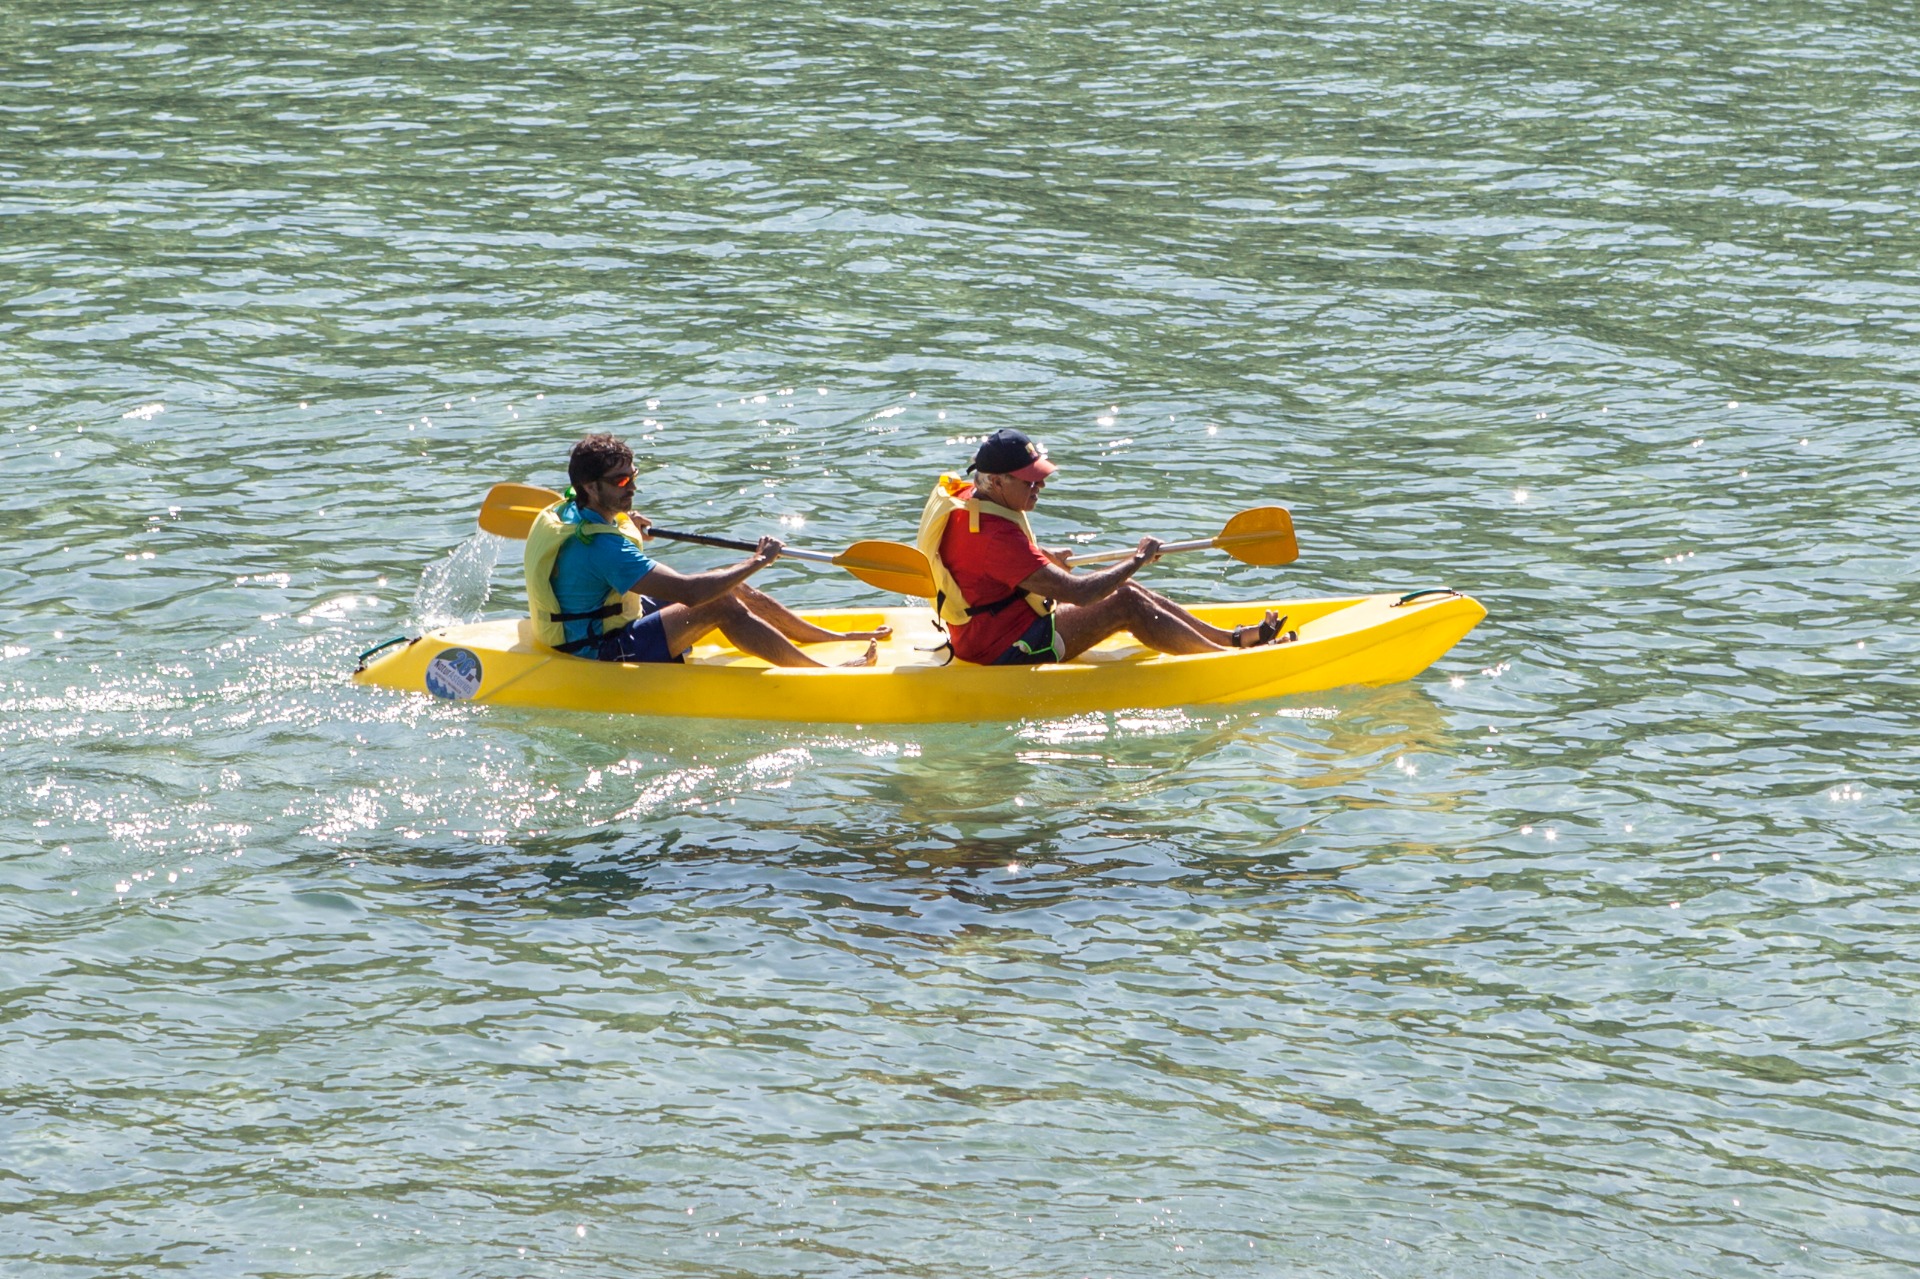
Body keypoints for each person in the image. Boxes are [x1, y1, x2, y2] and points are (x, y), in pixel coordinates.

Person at [914, 428, 1288, 665]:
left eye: (1039, 479)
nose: (1039, 487)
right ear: (995, 481)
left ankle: (1233, 639)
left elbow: (985, 568)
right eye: (1029, 482)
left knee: (1128, 589)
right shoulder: (997, 539)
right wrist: (1137, 559)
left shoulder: (967, 497)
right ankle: (1224, 661)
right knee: (1125, 601)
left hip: (986, 626)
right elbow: (1082, 594)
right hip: (1002, 648)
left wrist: (1040, 560)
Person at [524, 433, 886, 667]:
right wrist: (758, 561)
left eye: (634, 476)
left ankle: (827, 637)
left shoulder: (568, 507)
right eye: (621, 481)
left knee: (726, 582)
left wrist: (627, 520)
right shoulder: (604, 549)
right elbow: (691, 593)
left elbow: (598, 523)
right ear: (589, 485)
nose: (632, 486)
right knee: (718, 598)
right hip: (597, 648)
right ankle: (819, 671)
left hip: (607, 616)